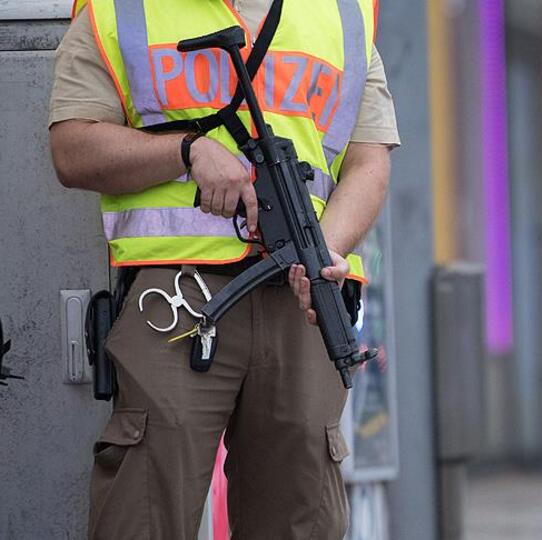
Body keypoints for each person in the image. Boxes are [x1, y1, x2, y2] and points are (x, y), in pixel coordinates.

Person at [48, 0, 399, 537]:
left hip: (303, 299)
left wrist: (324, 251)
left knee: (300, 513)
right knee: (146, 510)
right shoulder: (119, 9)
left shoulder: (343, 13)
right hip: (174, 298)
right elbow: (72, 149)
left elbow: (368, 159)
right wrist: (186, 152)